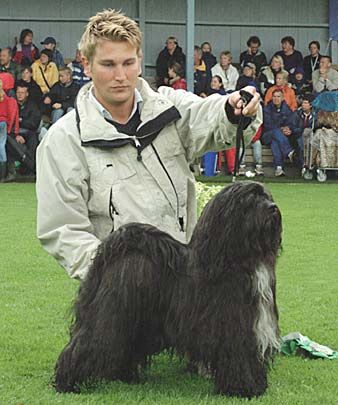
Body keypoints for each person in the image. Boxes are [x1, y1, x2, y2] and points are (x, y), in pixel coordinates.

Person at [36, 9, 261, 280]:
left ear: (140, 61)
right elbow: (63, 230)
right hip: (120, 299)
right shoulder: (64, 140)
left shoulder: (169, 108)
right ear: (86, 65)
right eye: (108, 64)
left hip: (187, 288)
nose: (121, 75)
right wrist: (116, 277)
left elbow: (205, 114)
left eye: (128, 63)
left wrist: (231, 105)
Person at [262, 89, 297, 177]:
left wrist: (288, 129)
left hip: (280, 137)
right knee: (276, 132)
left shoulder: (287, 109)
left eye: (278, 96)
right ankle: (289, 151)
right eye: (274, 96)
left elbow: (291, 122)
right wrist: (281, 128)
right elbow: (268, 125)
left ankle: (279, 168)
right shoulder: (266, 109)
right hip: (267, 135)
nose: (276, 99)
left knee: (275, 143)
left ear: (282, 98)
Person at [16, 84, 41, 173]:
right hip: (15, 132)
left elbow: (34, 123)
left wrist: (21, 120)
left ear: (27, 94)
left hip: (29, 132)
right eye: (18, 92)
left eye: (22, 93)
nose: (19, 95)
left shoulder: (32, 105)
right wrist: (16, 134)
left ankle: (31, 167)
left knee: (33, 139)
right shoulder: (12, 103)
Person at [0, 79, 19, 182]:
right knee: (1, 146)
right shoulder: (6, 98)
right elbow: (9, 113)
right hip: (3, 122)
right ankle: (3, 175)